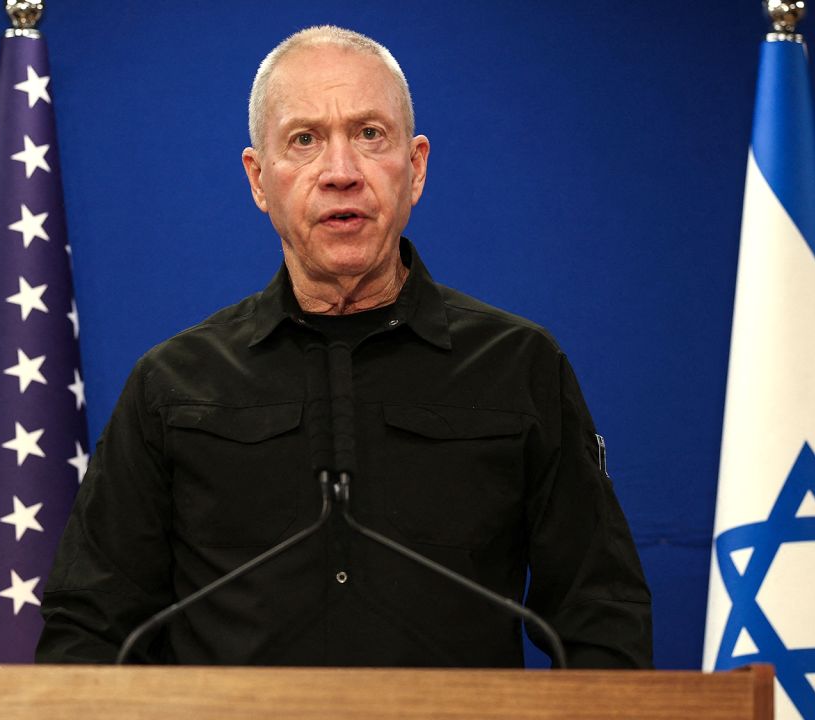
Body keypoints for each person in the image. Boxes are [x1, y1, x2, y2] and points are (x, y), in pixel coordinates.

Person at [36, 25, 652, 669]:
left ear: (414, 168)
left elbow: (601, 617)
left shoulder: (520, 368)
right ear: (258, 179)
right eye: (304, 140)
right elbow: (89, 628)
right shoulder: (172, 385)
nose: (340, 173)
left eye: (369, 135)